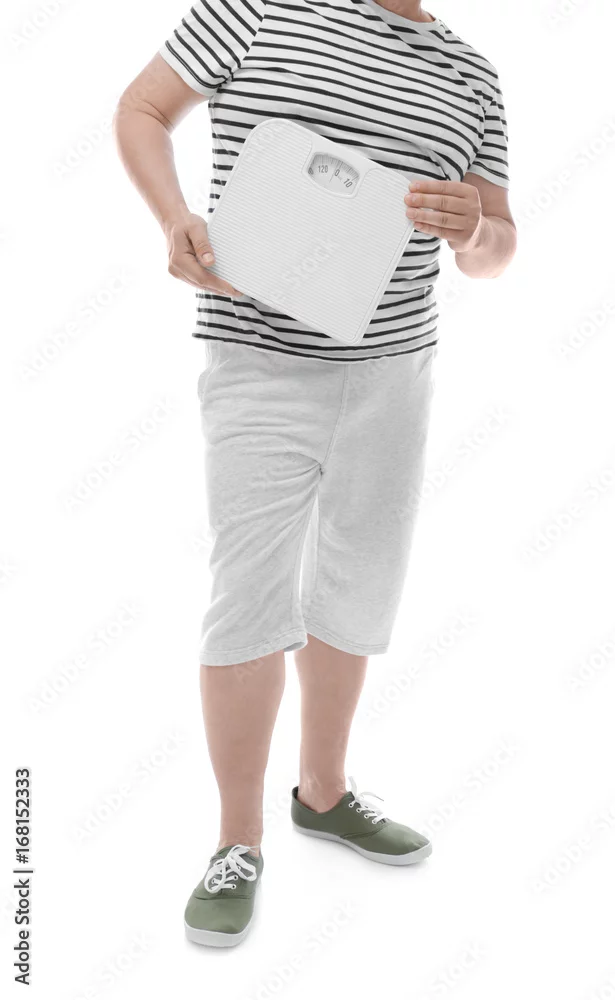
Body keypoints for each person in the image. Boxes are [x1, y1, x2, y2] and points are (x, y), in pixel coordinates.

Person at [114, 0, 517, 947]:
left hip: (392, 372)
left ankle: (324, 794)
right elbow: (141, 108)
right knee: (248, 595)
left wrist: (473, 233)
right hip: (257, 362)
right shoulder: (252, 10)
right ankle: (236, 841)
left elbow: (497, 251)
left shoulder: (471, 75)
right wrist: (174, 218)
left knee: (358, 581)